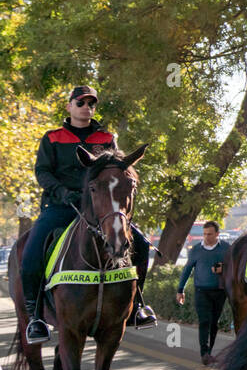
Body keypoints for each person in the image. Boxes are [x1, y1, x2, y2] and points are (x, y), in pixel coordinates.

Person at [21, 85, 156, 344]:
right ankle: (36, 318)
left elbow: (116, 169)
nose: (86, 108)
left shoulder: (106, 138)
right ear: (69, 106)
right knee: (30, 255)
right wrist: (62, 192)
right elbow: (43, 172)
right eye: (81, 103)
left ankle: (137, 304)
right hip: (61, 207)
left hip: (100, 209)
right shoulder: (52, 138)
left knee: (140, 242)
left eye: (91, 104)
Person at [177, 220, 231, 365]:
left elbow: (233, 267)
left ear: (217, 234)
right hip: (201, 291)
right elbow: (187, 270)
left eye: (210, 234)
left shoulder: (226, 248)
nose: (207, 237)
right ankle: (204, 353)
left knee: (214, 323)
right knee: (204, 321)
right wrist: (180, 289)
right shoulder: (195, 250)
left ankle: (209, 351)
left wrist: (223, 268)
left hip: (220, 291)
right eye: (205, 234)